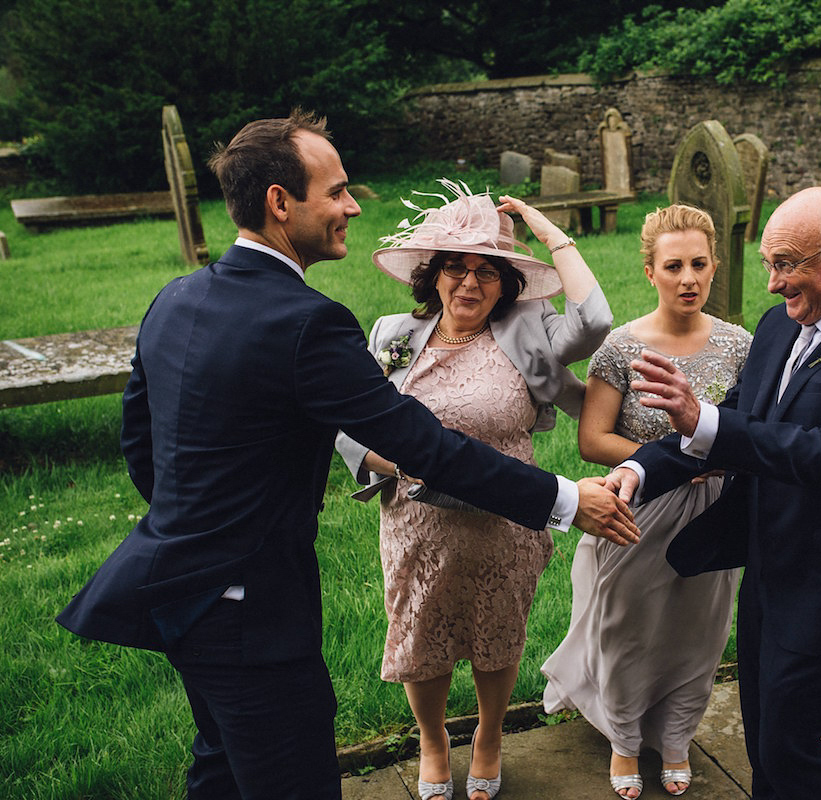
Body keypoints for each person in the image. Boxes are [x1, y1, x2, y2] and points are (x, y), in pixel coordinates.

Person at [55, 110, 638, 800]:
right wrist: (567, 499)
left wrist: (196, 524)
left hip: (176, 589)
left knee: (219, 768)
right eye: (336, 192)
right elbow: (424, 445)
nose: (353, 206)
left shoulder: (176, 298)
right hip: (251, 612)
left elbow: (141, 445)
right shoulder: (307, 322)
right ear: (280, 202)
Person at [605, 186, 821, 799]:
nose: (772, 284)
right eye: (769, 264)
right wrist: (646, 469)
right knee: (764, 731)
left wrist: (701, 419)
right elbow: (739, 418)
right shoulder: (778, 325)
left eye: (787, 264)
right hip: (770, 558)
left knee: (796, 743)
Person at [334, 182, 613, 800]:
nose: (469, 283)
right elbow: (349, 426)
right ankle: (434, 744)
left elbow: (595, 319)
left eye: (487, 272)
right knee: (420, 638)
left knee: (497, 633)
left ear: (508, 284)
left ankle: (489, 735)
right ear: (432, 274)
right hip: (415, 521)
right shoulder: (391, 334)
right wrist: (399, 464)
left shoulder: (529, 330)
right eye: (455, 266)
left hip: (505, 518)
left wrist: (547, 228)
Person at [540, 205, 752, 799]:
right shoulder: (620, 347)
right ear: (651, 272)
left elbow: (750, 432)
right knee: (628, 631)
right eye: (674, 266)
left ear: (715, 270)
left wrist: (713, 462)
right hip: (637, 509)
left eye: (699, 265)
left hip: (714, 510)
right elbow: (593, 439)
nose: (688, 278)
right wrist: (668, 462)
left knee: (700, 632)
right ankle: (626, 741)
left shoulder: (742, 346)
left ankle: (679, 738)